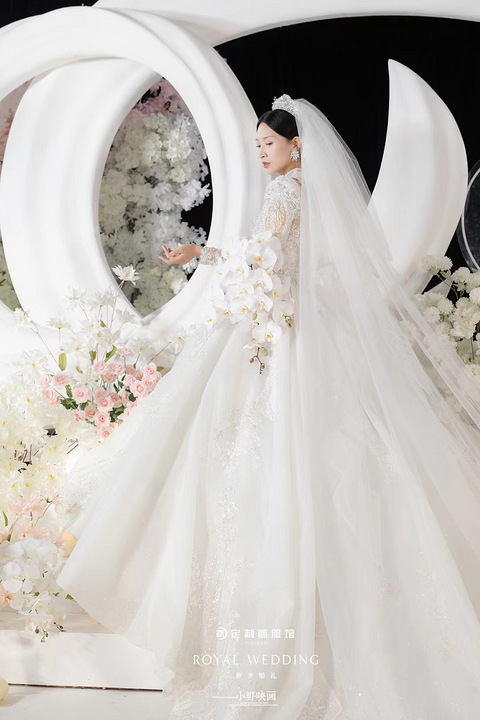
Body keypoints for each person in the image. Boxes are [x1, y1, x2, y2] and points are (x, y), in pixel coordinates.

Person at [56, 95, 480, 719]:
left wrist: (225, 269)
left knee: (255, 445)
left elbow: (268, 258)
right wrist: (206, 257)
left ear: (295, 146)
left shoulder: (286, 193)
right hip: (283, 320)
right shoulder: (299, 192)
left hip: (277, 328)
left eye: (268, 145)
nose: (260, 153)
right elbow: (271, 257)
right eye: (257, 144)